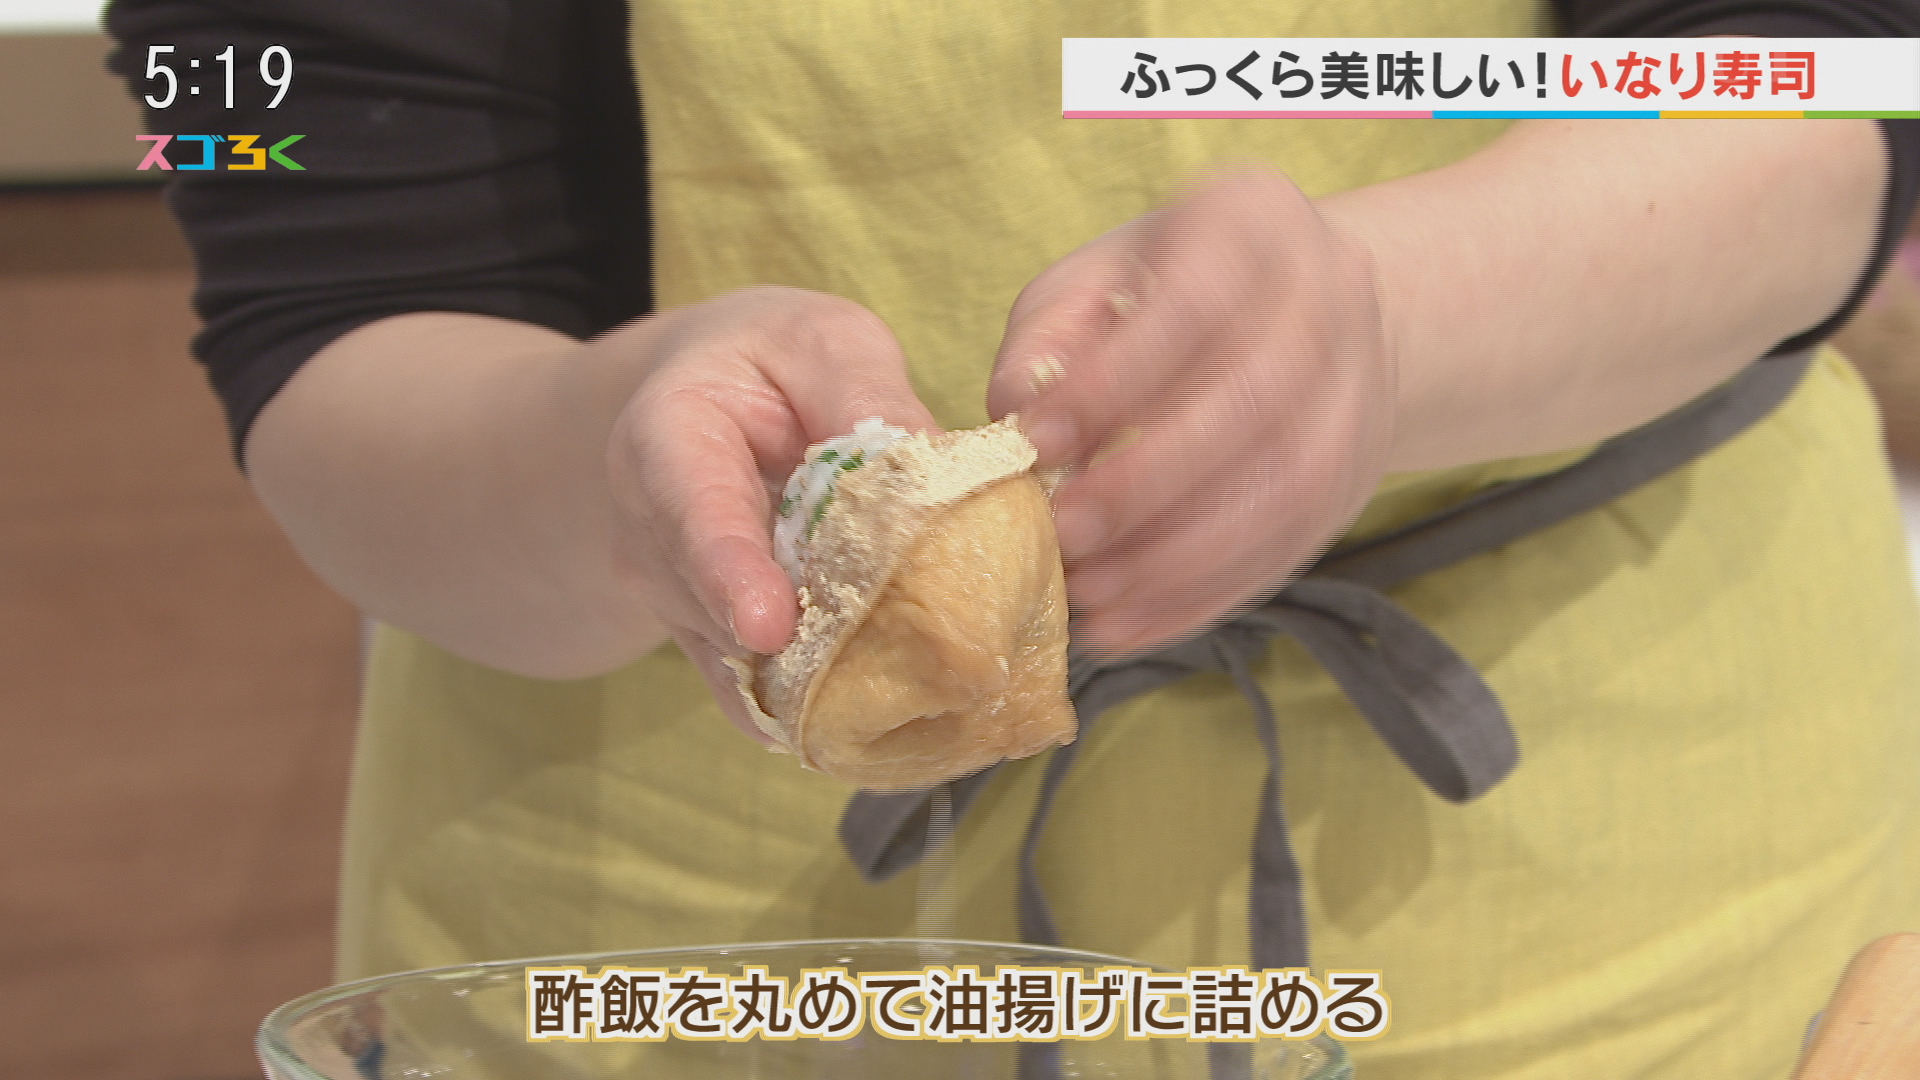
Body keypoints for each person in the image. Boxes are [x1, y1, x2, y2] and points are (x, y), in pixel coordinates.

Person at [107, 0, 1920, 1076]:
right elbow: (318, 291)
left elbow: (1834, 77)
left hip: (1616, 899)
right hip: (687, 947)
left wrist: (1395, 317)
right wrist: (609, 461)